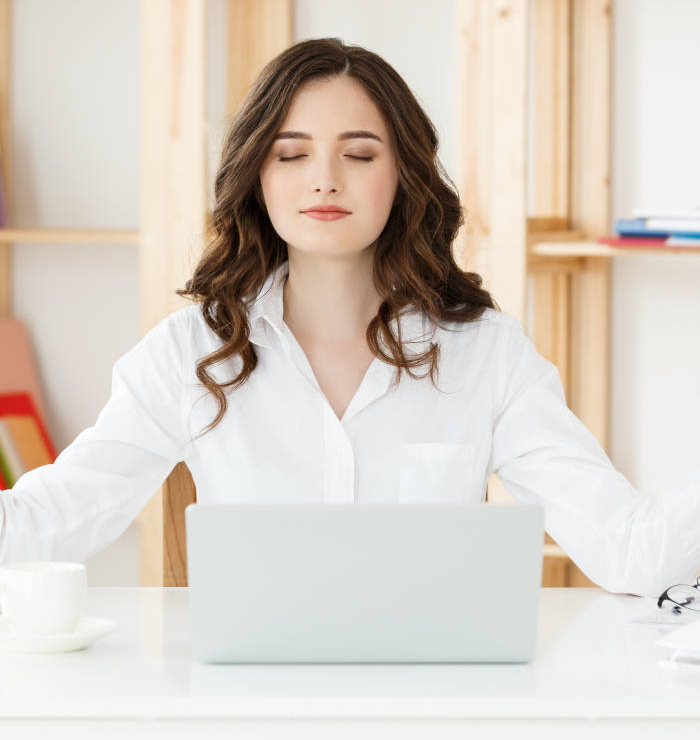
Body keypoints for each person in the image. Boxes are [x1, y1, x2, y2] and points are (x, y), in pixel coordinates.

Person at [1, 37, 699, 600]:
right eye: (292, 153)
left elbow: (629, 550)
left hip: (431, 708)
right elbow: (48, 520)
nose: (324, 178)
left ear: (403, 178)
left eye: (359, 153)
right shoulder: (190, 353)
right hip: (248, 711)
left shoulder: (488, 356)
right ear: (257, 176)